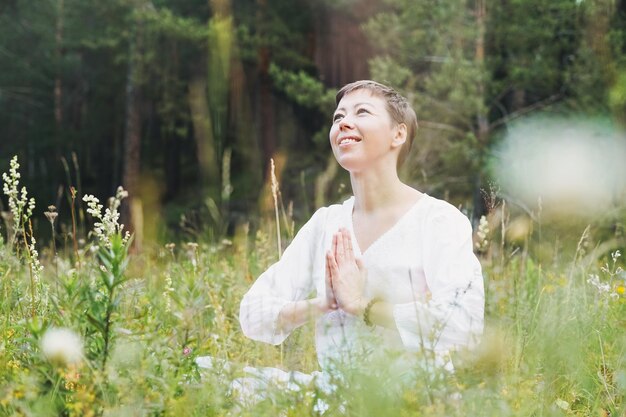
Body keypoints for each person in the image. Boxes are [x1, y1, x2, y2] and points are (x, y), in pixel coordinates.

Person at [212, 80, 484, 404]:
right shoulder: (325, 224)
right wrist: (322, 304)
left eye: (362, 112)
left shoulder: (437, 220)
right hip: (335, 396)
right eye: (338, 116)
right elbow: (252, 313)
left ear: (398, 134)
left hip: (413, 399)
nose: (344, 122)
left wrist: (362, 306)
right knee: (203, 375)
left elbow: (464, 325)